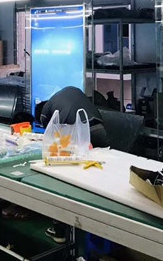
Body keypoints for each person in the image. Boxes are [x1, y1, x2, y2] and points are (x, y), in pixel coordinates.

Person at [34, 86, 110, 243]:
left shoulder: (45, 112)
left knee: (63, 180)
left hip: (80, 137)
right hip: (99, 129)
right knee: (99, 176)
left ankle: (59, 230)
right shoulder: (63, 95)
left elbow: (52, 137)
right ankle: (102, 226)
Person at [34, 86, 109, 149]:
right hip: (98, 127)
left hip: (80, 134)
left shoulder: (45, 110)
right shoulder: (64, 94)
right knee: (104, 158)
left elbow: (50, 136)